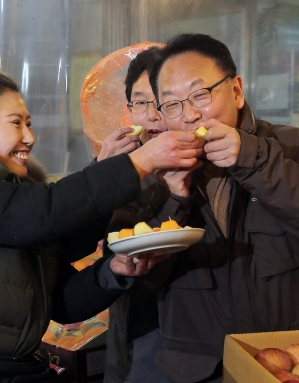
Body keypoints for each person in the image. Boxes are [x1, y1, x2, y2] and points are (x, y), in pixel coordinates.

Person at [0, 69, 204, 383]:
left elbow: (62, 303)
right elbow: (45, 212)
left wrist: (113, 272)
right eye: (16, 123)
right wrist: (140, 162)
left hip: (12, 371)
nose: (30, 137)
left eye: (29, 123)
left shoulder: (14, 204)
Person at [139, 33, 299, 383]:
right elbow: (138, 280)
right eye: (172, 104)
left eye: (200, 94)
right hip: (205, 369)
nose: (190, 114)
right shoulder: (151, 174)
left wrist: (252, 160)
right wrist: (174, 199)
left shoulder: (297, 148)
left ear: (237, 90)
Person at [97, 47, 191, 383]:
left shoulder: (212, 163)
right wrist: (101, 175)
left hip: (200, 339)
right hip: (140, 339)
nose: (152, 116)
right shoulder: (123, 173)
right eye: (140, 103)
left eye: (161, 102)